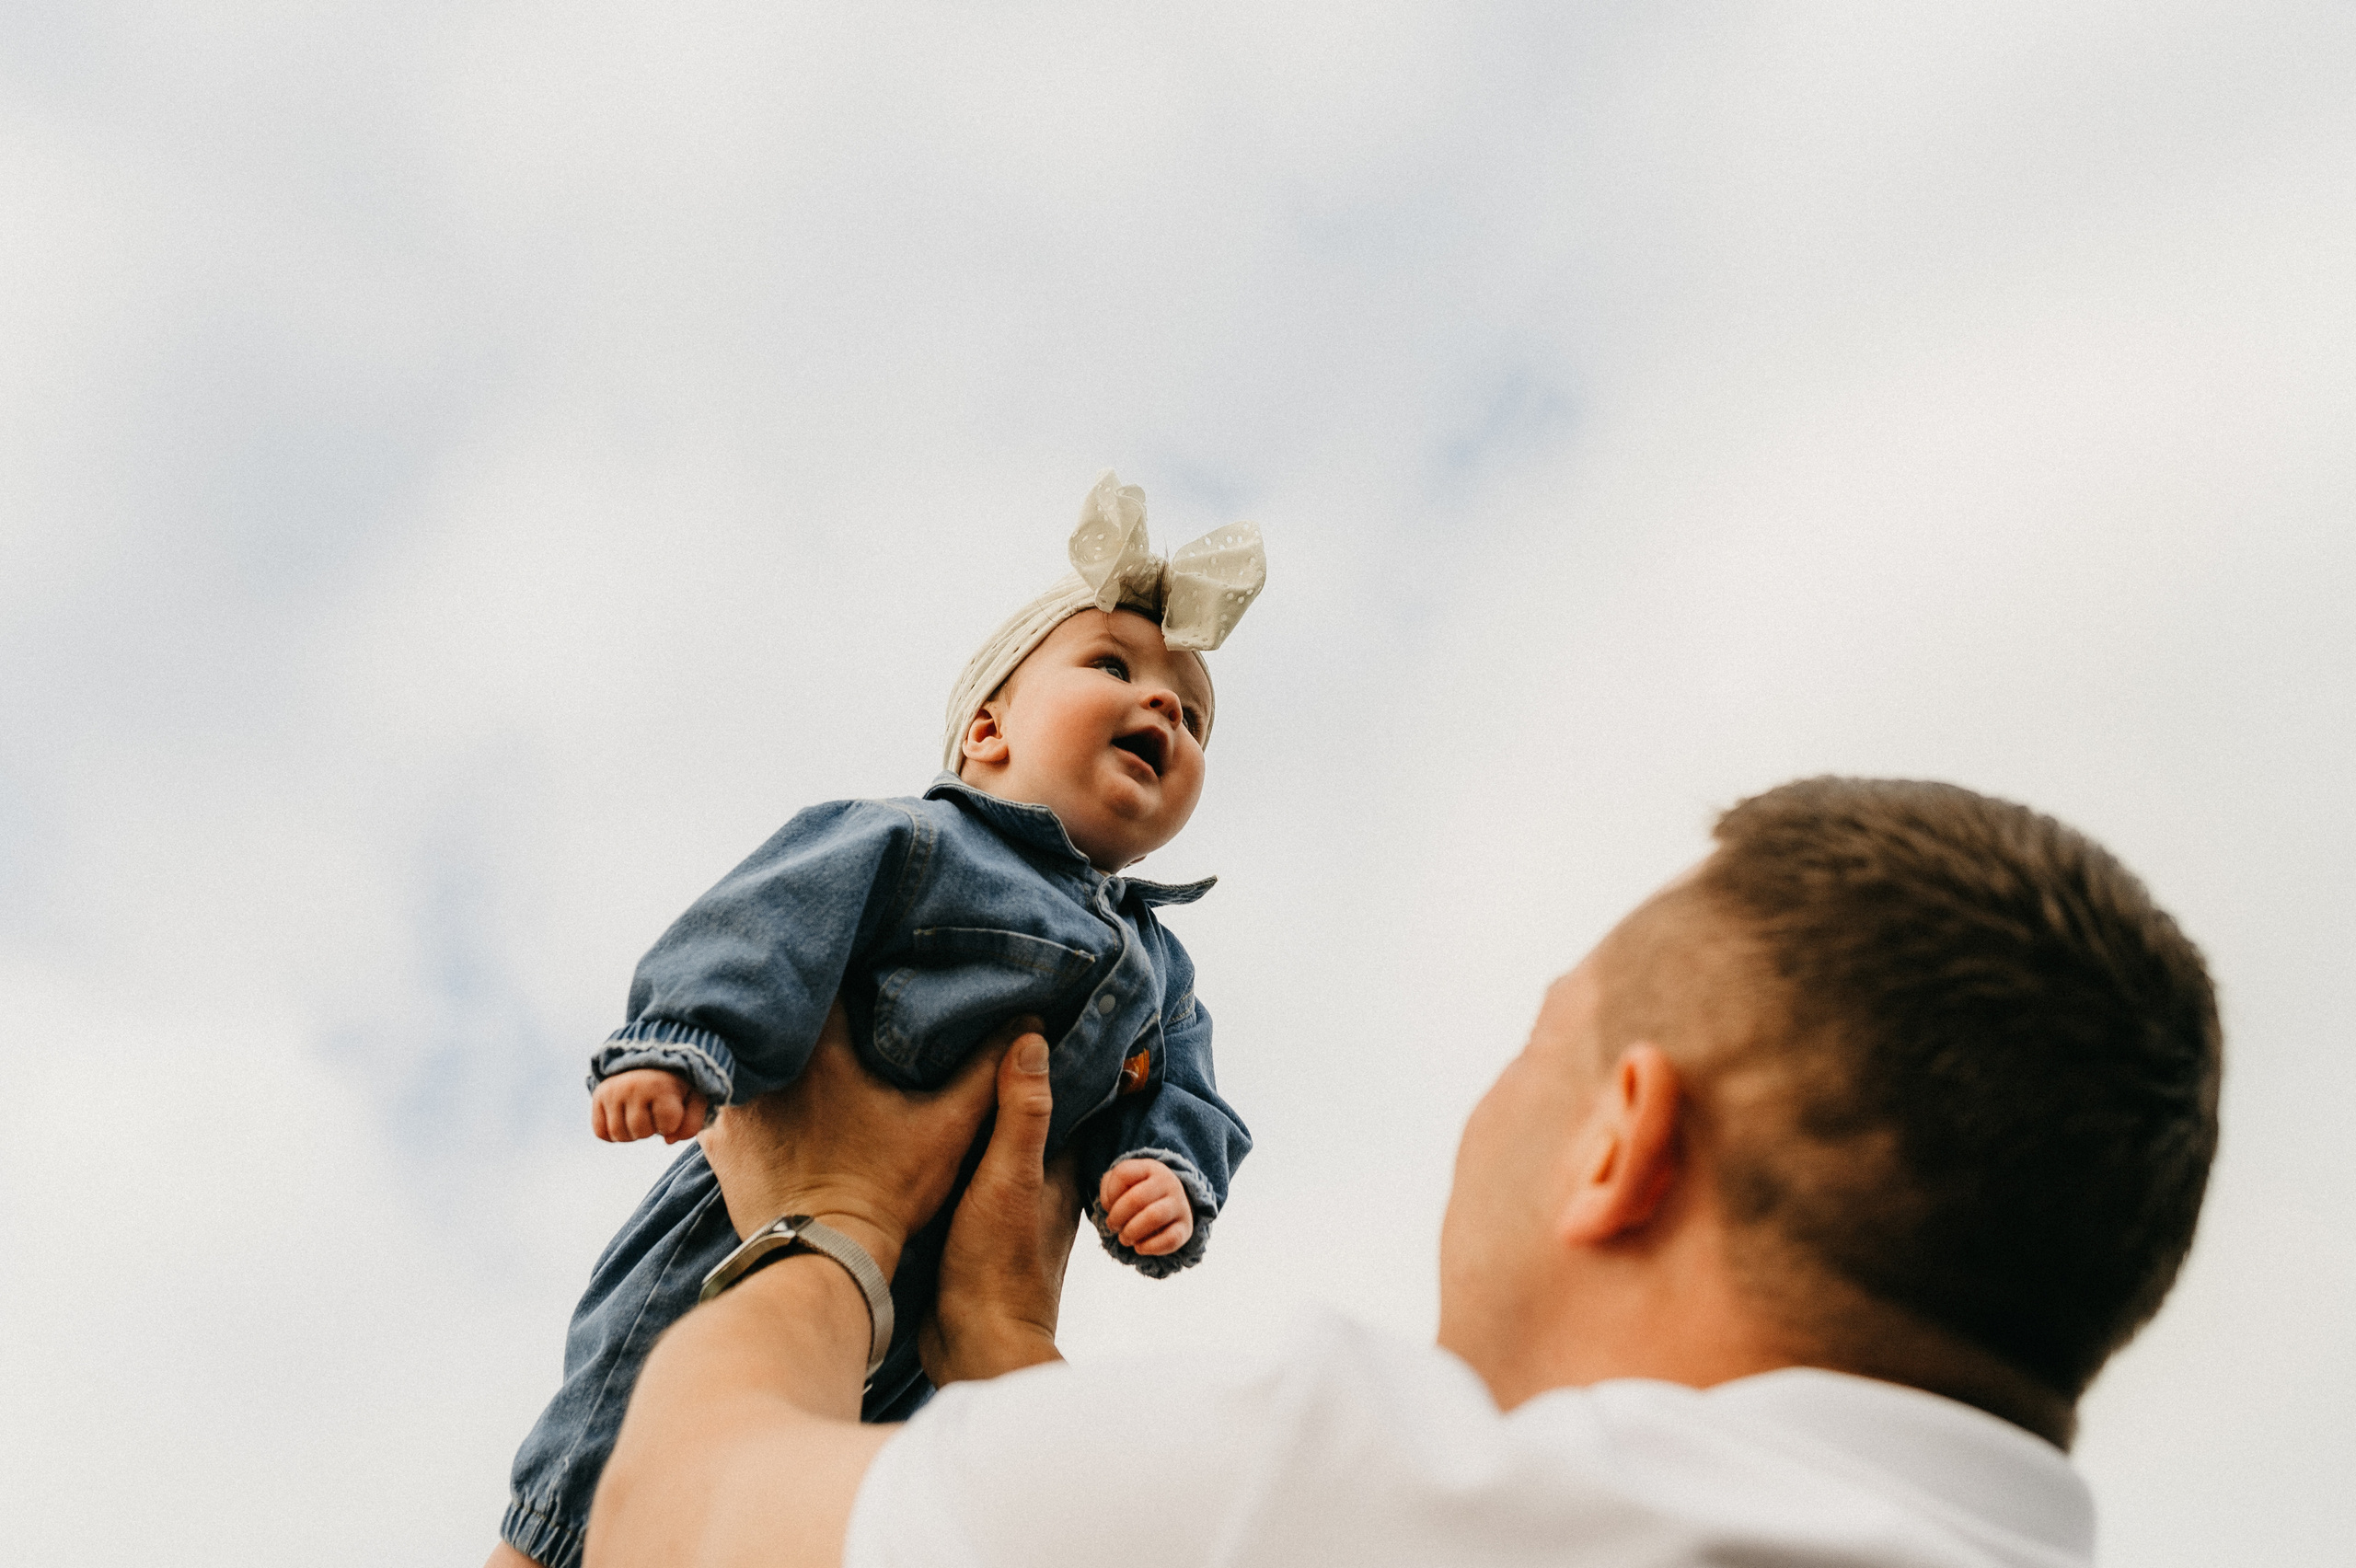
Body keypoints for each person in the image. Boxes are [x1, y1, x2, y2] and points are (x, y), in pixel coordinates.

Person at [573, 776, 2222, 1568]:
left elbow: (675, 1521)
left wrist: (834, 1215)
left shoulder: (1366, 1493)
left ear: (1624, 1140)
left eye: (1540, 1037)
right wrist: (1006, 1348)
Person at [494, 473, 1269, 1568]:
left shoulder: (1164, 973)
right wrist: (685, 1044)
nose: (1163, 712)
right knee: (618, 1450)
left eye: (1191, 717)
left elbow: (1185, 1093)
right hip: (755, 1217)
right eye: (1113, 667)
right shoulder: (915, 842)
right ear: (988, 730)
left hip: (937, 1302)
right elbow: (767, 926)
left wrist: (1165, 1176)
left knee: (834, 1503)